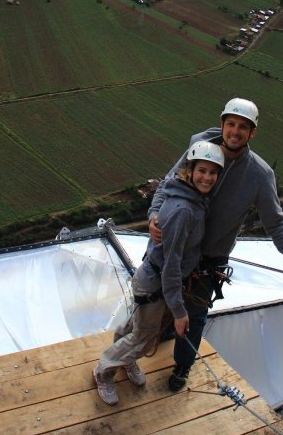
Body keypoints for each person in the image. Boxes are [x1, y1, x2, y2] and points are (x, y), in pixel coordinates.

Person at [149, 97, 283, 392]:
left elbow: (276, 222)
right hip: (172, 244)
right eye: (230, 124)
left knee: (194, 316)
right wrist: (155, 215)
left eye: (243, 127)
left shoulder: (259, 175)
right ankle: (150, 339)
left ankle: (182, 366)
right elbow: (170, 183)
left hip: (208, 260)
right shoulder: (200, 147)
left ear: (252, 133)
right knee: (152, 300)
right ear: (222, 124)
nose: (235, 131)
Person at [93, 141, 226, 405]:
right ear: (190, 170)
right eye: (202, 170)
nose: (207, 177)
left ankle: (124, 359)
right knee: (143, 338)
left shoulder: (188, 197)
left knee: (136, 326)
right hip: (156, 284)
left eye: (213, 172)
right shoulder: (185, 210)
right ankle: (103, 371)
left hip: (150, 279)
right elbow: (172, 265)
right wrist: (179, 311)